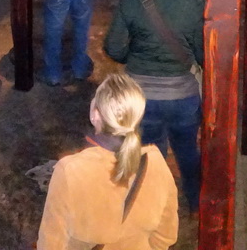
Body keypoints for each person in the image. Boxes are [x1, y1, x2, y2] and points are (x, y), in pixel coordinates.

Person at [103, 0, 204, 214]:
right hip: (182, 94)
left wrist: (134, 57)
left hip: (141, 97)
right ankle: (196, 202)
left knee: (148, 153)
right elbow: (203, 52)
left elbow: (113, 47)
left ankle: (151, 208)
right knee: (187, 151)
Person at [37, 73, 179, 250]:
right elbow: (166, 236)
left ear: (95, 115)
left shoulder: (70, 171)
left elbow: (52, 242)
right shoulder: (156, 162)